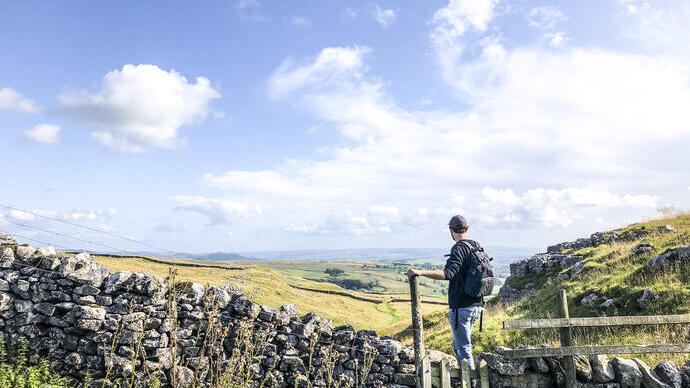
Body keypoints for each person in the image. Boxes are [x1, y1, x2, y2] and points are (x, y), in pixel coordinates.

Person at [406, 215, 483, 369]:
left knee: (463, 347)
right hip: (476, 305)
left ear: (451, 230)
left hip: (461, 307)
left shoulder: (459, 248)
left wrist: (420, 272)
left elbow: (448, 273)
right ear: (467, 229)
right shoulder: (476, 246)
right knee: (459, 345)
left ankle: (471, 382)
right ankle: (466, 377)